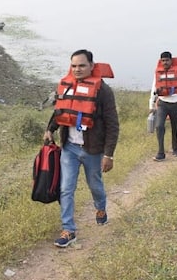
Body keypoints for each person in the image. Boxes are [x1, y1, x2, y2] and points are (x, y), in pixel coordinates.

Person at [44, 49, 119, 248]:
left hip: (93, 150)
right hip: (69, 148)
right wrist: (50, 129)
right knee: (66, 188)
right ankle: (68, 230)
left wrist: (109, 154)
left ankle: (100, 209)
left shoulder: (103, 90)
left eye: (82, 65)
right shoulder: (67, 86)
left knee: (95, 185)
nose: (77, 69)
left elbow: (113, 124)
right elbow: (60, 110)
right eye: (74, 66)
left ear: (92, 66)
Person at [149, 51, 177, 161]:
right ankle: (161, 152)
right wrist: (151, 105)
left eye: (167, 60)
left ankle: (175, 147)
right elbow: (154, 88)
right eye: (163, 60)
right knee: (159, 126)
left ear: (171, 60)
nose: (165, 62)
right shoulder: (158, 71)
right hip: (162, 103)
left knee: (175, 127)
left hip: (176, 103)